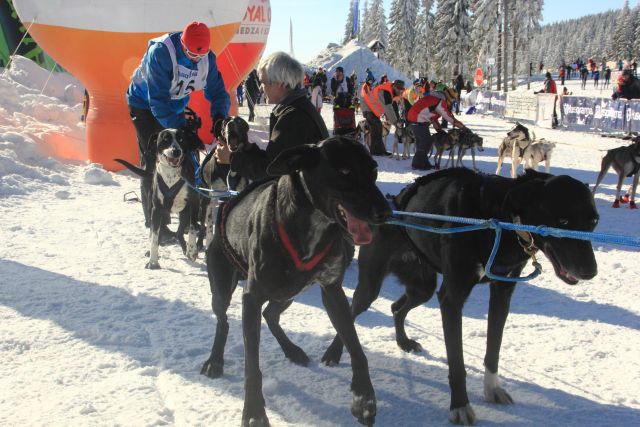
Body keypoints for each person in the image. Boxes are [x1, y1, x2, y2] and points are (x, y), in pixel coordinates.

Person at [126, 21, 230, 237]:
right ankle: (157, 224)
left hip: (174, 105)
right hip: (144, 105)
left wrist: (219, 118)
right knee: (154, 159)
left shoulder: (207, 59)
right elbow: (157, 101)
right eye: (191, 54)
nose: (195, 59)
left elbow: (219, 92)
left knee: (186, 158)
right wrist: (180, 127)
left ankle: (190, 216)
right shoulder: (162, 52)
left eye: (199, 56)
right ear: (182, 44)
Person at [216, 52, 328, 182]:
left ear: (279, 83)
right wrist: (248, 149)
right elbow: (276, 159)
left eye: (263, 82)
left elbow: (270, 172)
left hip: (308, 197)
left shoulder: (293, 117)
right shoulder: (297, 108)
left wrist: (231, 159)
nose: (261, 88)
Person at [404, 90, 466, 170]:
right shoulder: (439, 101)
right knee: (425, 142)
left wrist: (440, 131)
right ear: (449, 98)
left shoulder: (433, 99)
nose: (451, 103)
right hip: (418, 118)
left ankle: (423, 163)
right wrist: (464, 128)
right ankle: (418, 164)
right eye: (452, 100)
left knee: (423, 142)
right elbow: (449, 118)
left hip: (415, 117)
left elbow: (433, 120)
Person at [360, 79, 405, 156]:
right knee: (376, 127)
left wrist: (397, 120)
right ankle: (375, 151)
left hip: (372, 109)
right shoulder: (385, 92)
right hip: (368, 108)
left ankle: (380, 150)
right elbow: (389, 109)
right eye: (398, 88)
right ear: (394, 86)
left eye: (401, 89)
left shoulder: (390, 92)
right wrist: (396, 123)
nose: (400, 90)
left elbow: (393, 108)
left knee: (379, 128)